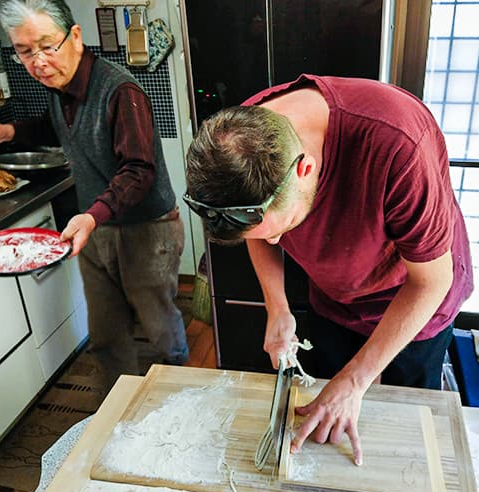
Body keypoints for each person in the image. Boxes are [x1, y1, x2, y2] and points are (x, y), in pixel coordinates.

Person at [184, 74, 473, 466]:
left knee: (405, 433)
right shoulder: (242, 140)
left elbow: (432, 281)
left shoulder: (397, 144)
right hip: (334, 295)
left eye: (281, 229)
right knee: (322, 414)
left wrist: (356, 381)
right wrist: (277, 307)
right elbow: (256, 229)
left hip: (414, 299)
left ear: (304, 170)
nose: (274, 243)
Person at [0, 0, 189, 385]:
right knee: (105, 333)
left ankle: (179, 395)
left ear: (76, 37)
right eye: (24, 51)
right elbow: (58, 128)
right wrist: (8, 132)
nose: (38, 61)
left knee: (159, 330)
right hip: (94, 228)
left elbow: (139, 170)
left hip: (145, 229)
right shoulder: (59, 86)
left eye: (47, 46)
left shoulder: (120, 90)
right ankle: (115, 414)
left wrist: (92, 214)